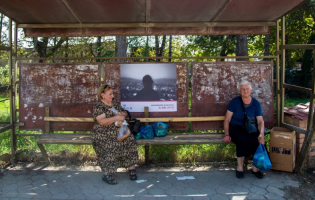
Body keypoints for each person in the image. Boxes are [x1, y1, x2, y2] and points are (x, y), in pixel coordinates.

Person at [91, 84, 139, 185]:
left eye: (112, 94)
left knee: (129, 139)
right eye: (110, 94)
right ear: (102, 95)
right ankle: (107, 174)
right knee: (111, 145)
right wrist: (116, 118)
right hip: (103, 133)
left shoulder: (114, 103)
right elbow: (102, 122)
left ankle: (131, 168)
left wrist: (122, 114)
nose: (112, 96)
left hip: (119, 131)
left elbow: (124, 112)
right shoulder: (99, 106)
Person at [223, 80, 265, 179]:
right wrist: (226, 134)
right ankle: (240, 168)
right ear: (239, 91)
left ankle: (255, 168)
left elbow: (260, 121)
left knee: (257, 140)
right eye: (243, 89)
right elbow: (227, 119)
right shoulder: (235, 101)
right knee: (241, 140)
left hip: (250, 128)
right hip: (236, 127)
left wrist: (261, 134)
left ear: (250, 90)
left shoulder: (255, 103)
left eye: (247, 89)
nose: (245, 91)